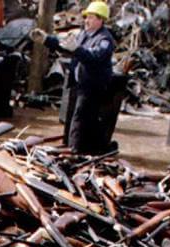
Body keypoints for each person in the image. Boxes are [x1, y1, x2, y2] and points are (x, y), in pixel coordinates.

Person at [31, 1, 114, 154]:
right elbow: (68, 47)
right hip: (78, 82)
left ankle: (73, 151)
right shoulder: (84, 34)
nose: (86, 20)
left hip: (92, 85)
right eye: (86, 17)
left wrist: (77, 49)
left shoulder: (105, 40)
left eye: (91, 17)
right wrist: (47, 40)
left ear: (101, 20)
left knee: (80, 118)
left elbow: (94, 56)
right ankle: (77, 145)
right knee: (71, 117)